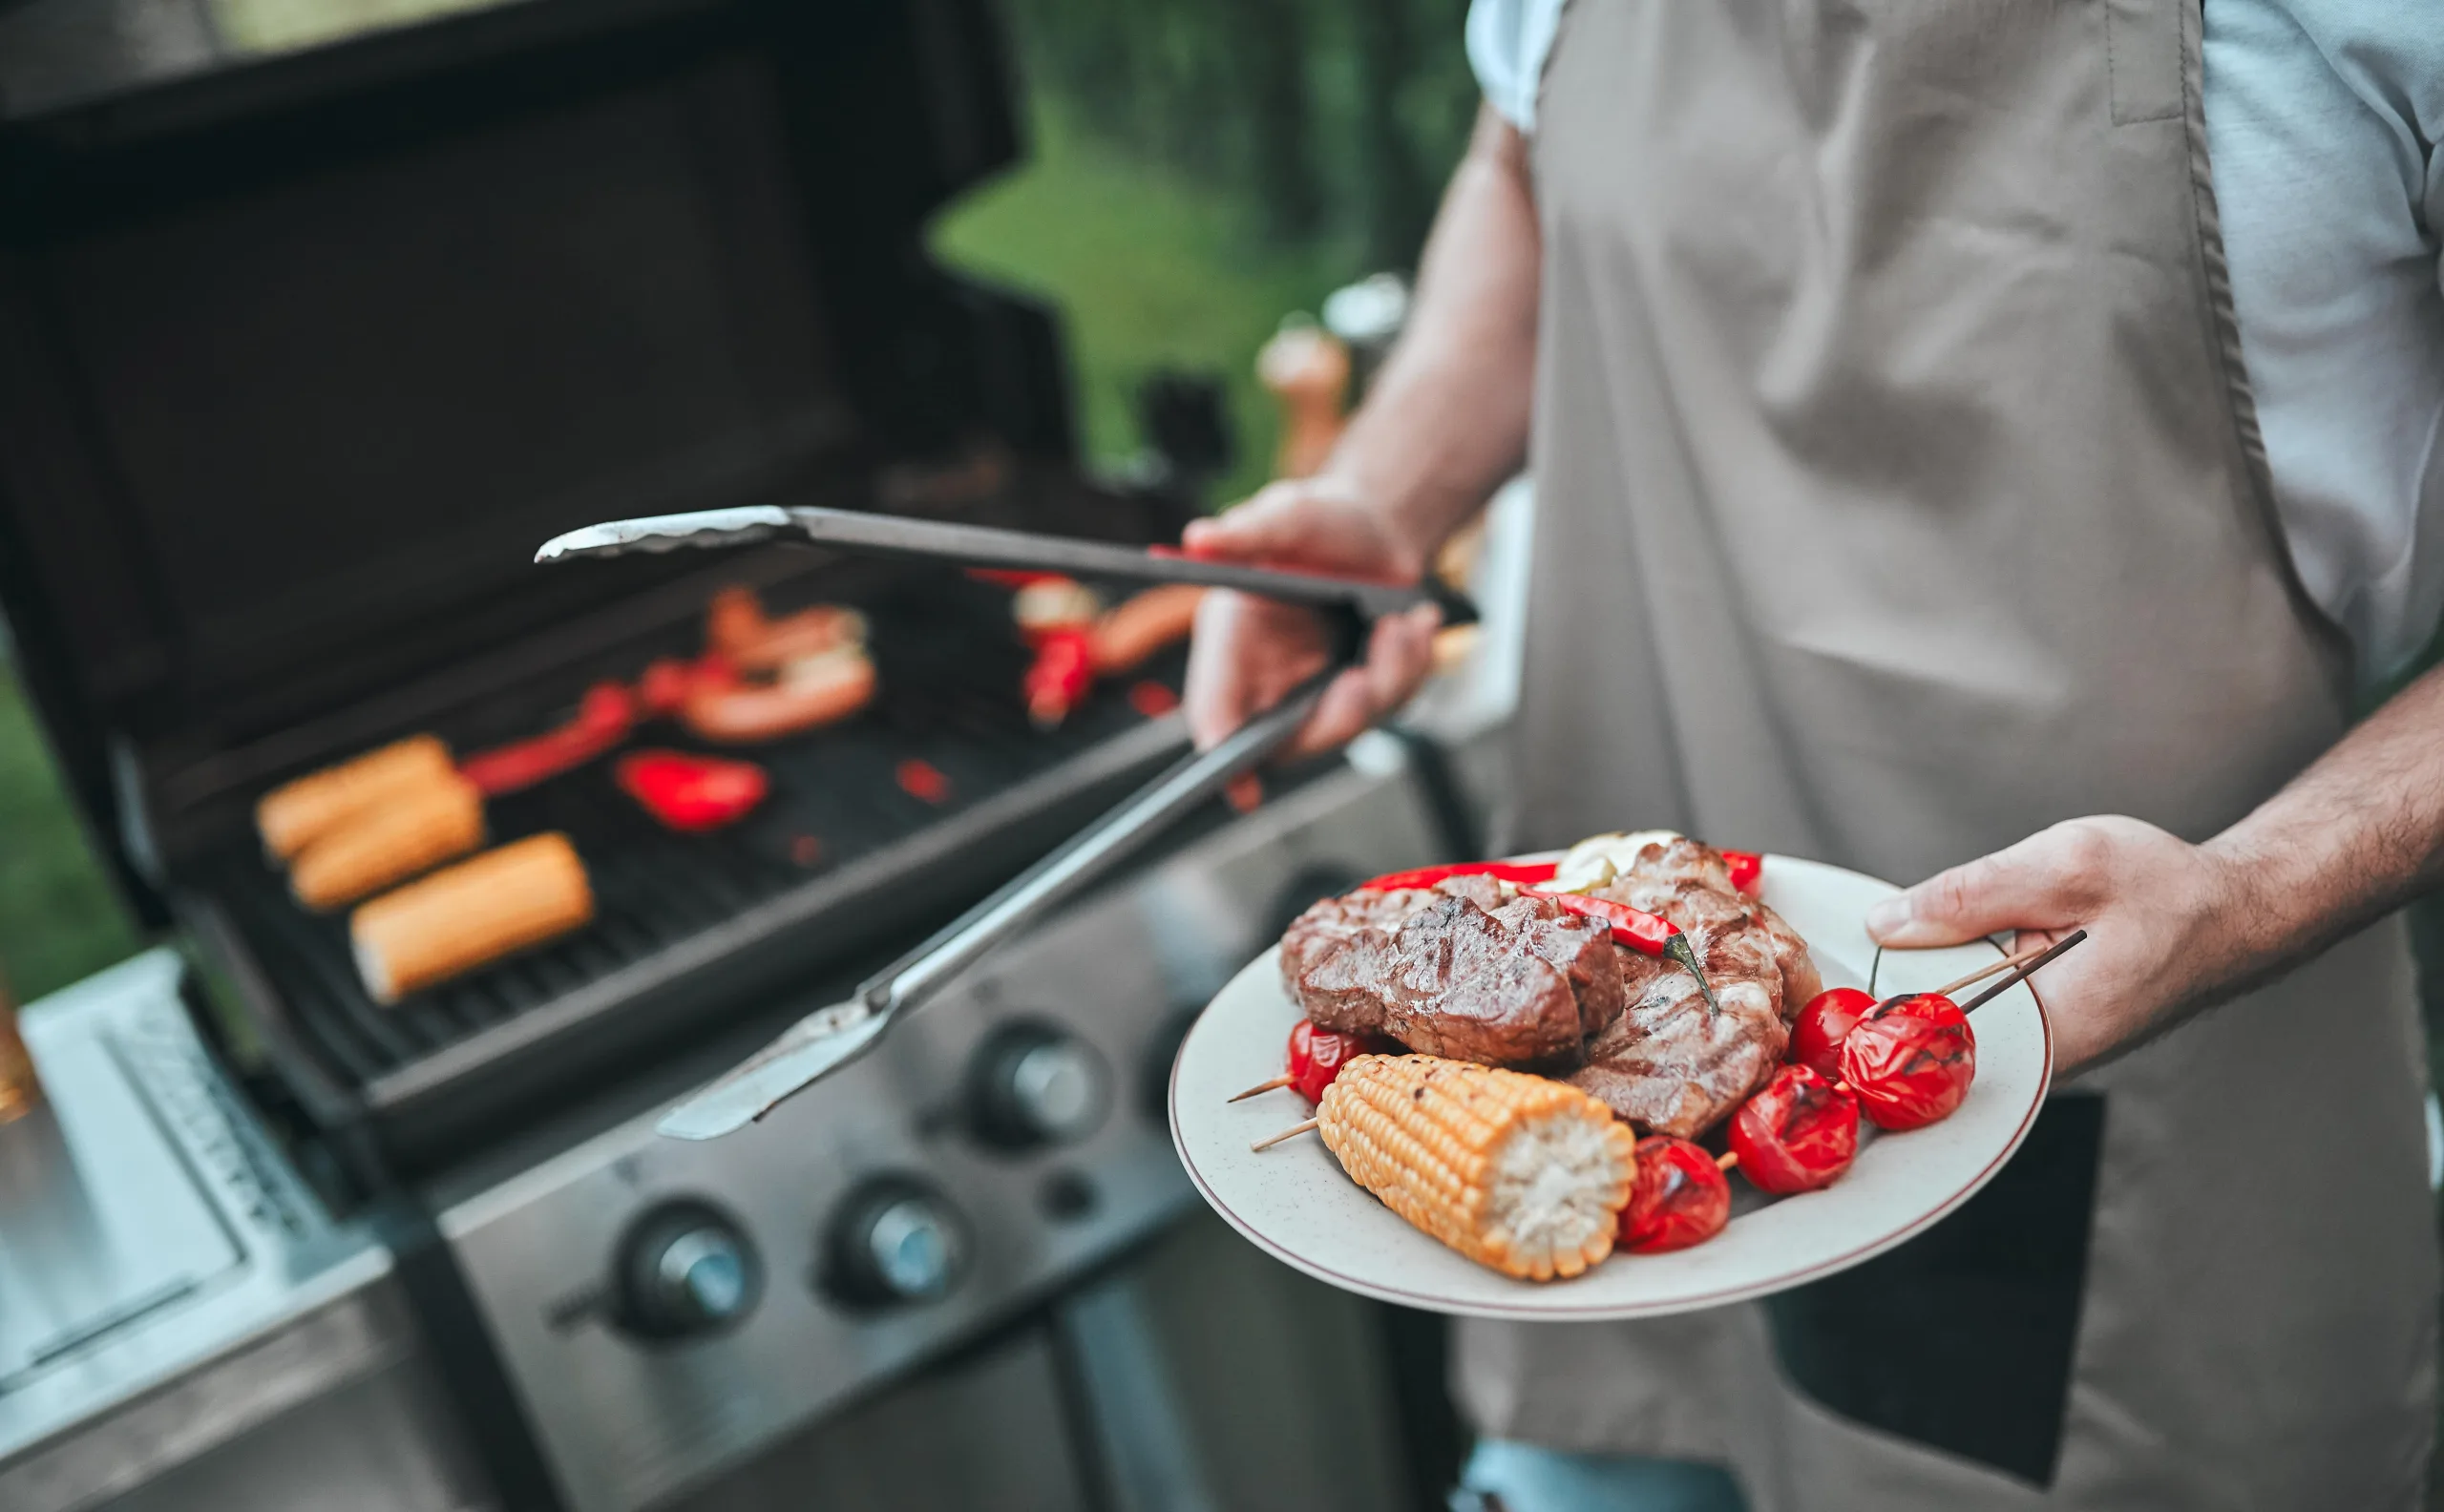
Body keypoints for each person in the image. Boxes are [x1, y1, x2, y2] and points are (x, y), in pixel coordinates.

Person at [1180, 0, 2442, 1506]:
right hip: (1562, 1125)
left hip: (2119, 1098)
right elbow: (1523, 170)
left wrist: (2255, 892)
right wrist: (1391, 492)